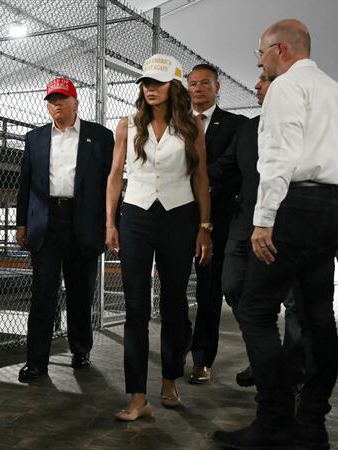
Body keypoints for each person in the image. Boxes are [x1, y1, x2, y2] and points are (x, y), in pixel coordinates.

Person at [213, 19, 338, 450]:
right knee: (318, 316)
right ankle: (312, 424)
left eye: (261, 53)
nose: (259, 62)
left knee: (255, 310)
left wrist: (263, 219)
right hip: (329, 208)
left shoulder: (287, 87)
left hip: (292, 207)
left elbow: (278, 156)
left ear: (281, 50)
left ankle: (274, 419)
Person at [105, 54, 211, 421]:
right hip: (136, 216)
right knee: (135, 306)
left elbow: (201, 179)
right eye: (146, 82)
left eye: (158, 82)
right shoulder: (127, 125)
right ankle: (137, 395)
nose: (150, 88)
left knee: (174, 303)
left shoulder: (191, 127)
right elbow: (115, 176)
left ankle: (169, 380)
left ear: (173, 87)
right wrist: (110, 223)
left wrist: (205, 227)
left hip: (179, 216)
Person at [209, 70, 304, 389]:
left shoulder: (304, 127)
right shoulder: (249, 128)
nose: (256, 86)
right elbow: (225, 168)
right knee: (233, 285)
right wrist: (183, 171)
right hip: (244, 227)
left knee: (295, 302)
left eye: (265, 81)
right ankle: (266, 354)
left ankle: (291, 373)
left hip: (287, 228)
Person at [15, 77, 114, 382]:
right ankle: (36, 362)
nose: (56, 104)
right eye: (51, 100)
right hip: (46, 223)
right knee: (43, 293)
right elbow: (25, 183)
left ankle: (81, 350)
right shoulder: (35, 138)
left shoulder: (100, 137)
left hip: (83, 221)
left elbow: (111, 184)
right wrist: (22, 223)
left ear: (75, 102)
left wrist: (111, 224)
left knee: (80, 292)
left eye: (61, 99)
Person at [187, 63, 247, 385]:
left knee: (209, 290)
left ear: (217, 87)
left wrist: (199, 181)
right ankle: (179, 340)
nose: (198, 88)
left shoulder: (236, 125)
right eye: (193, 84)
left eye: (204, 83)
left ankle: (202, 359)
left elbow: (234, 166)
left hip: (218, 219)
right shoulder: (176, 123)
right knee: (172, 288)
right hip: (177, 214)